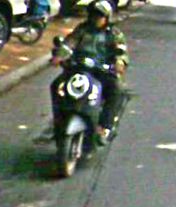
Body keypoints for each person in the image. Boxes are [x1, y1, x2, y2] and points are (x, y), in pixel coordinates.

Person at [50, 0, 129, 145]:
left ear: (107, 18)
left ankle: (104, 126)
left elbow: (121, 52)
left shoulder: (114, 34)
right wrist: (59, 56)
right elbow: (69, 43)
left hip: (102, 72)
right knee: (56, 85)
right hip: (79, 69)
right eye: (93, 14)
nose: (95, 18)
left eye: (99, 16)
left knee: (117, 90)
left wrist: (120, 62)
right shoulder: (82, 30)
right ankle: (58, 120)